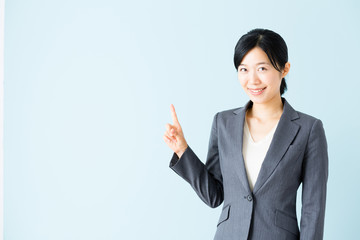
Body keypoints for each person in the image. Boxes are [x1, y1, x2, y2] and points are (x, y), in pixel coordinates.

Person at [163, 28, 328, 240]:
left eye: (262, 68)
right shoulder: (223, 123)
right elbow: (214, 196)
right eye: (243, 69)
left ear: (284, 69)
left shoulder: (309, 129)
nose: (253, 80)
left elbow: (313, 208)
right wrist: (182, 150)